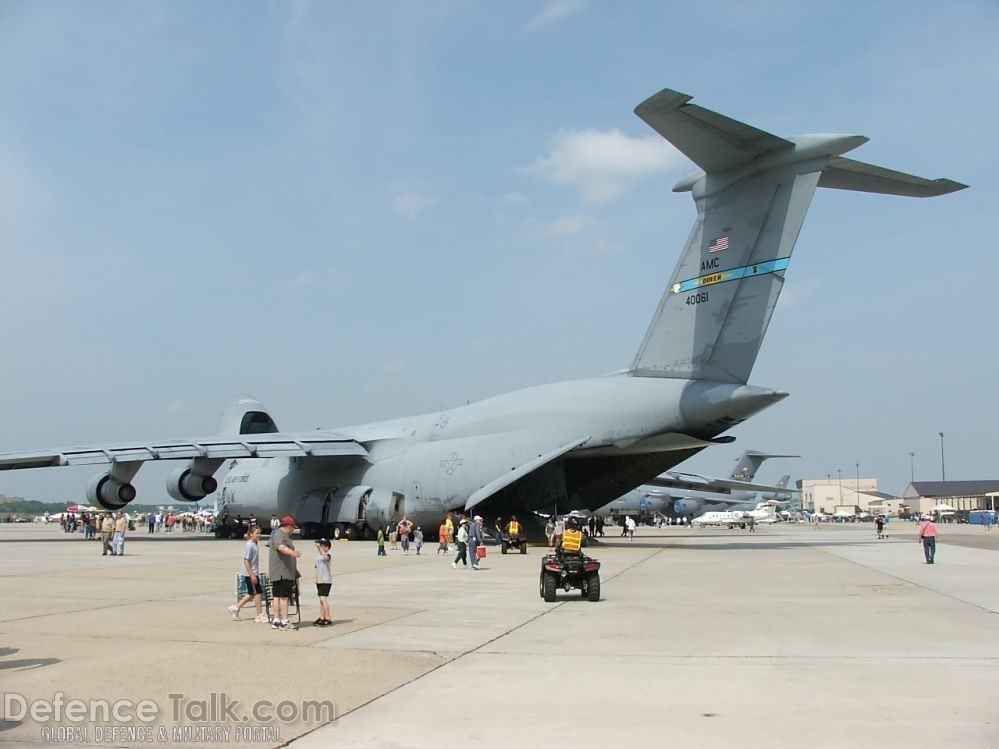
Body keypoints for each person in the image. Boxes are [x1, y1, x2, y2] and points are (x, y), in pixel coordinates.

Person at [269, 515, 303, 630]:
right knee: (284, 597)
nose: (293, 530)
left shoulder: (278, 534)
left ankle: (277, 620)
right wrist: (293, 553)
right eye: (293, 527)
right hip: (283, 571)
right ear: (288, 526)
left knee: (277, 596)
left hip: (279, 571)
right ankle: (284, 621)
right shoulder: (280, 534)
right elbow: (281, 547)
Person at [229, 526, 268, 622]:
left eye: (259, 533)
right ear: (251, 534)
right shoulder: (249, 545)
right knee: (257, 593)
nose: (259, 535)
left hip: (253, 572)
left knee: (252, 593)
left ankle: (236, 607)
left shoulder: (254, 544)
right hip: (251, 573)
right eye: (257, 533)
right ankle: (259, 615)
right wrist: (252, 574)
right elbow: (246, 560)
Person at [314, 538, 333, 626]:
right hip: (320, 581)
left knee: (323, 599)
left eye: (322, 546)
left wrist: (321, 548)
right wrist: (316, 579)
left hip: (326, 580)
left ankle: (328, 617)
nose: (320, 547)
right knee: (321, 600)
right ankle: (322, 617)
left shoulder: (328, 556)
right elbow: (317, 569)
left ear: (327, 548)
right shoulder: (318, 557)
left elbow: (326, 557)